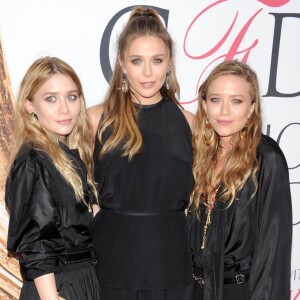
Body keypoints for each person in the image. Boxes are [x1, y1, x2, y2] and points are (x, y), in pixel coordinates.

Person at [88, 6, 196, 300]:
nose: (148, 72)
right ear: (122, 64)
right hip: (110, 263)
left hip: (172, 265)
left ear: (169, 63)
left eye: (157, 60)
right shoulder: (95, 119)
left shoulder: (190, 124)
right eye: (137, 61)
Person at [189, 60, 292, 299]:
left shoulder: (266, 158)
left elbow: (273, 250)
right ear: (204, 105)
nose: (224, 111)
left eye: (236, 101)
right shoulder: (200, 156)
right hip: (194, 291)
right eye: (216, 100)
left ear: (252, 108)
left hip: (239, 292)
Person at [5, 56, 101, 300]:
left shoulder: (65, 155)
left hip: (81, 279)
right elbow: (37, 241)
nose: (64, 109)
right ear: (29, 105)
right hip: (58, 286)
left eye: (72, 96)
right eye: (51, 98)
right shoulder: (34, 160)